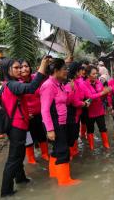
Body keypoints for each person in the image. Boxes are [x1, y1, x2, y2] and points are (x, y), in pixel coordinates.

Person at [0, 57, 49, 197]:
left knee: (19, 154)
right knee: (14, 158)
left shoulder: (10, 83)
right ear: (7, 70)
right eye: (16, 68)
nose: (20, 70)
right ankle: (6, 191)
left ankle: (20, 178)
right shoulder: (12, 84)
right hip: (16, 126)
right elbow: (32, 87)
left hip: (17, 125)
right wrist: (42, 65)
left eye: (20, 67)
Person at [40, 58, 81, 187]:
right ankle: (64, 181)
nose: (66, 72)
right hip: (55, 123)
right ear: (56, 71)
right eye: (64, 69)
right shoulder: (48, 85)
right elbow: (45, 109)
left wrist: (72, 89)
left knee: (57, 149)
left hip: (61, 122)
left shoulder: (60, 84)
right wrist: (50, 129)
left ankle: (54, 174)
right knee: (63, 150)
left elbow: (65, 101)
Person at [19, 59, 49, 164]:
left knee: (41, 135)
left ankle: (45, 154)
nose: (24, 68)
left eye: (26, 66)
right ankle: (31, 157)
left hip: (39, 114)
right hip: (26, 117)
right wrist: (25, 114)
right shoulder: (17, 83)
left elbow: (45, 74)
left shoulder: (35, 78)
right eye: (21, 67)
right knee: (28, 138)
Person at [64, 62, 90, 159]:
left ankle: (74, 153)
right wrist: (84, 103)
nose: (82, 72)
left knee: (74, 135)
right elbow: (73, 102)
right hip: (72, 113)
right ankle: (71, 155)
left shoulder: (77, 81)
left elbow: (81, 95)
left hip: (76, 113)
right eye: (80, 70)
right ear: (76, 72)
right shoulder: (69, 84)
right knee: (71, 136)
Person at [83, 65, 111, 150]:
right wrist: (103, 93)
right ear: (88, 75)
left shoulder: (99, 82)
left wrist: (107, 92)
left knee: (103, 128)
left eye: (96, 73)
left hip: (99, 110)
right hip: (89, 111)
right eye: (93, 74)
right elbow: (90, 96)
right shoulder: (84, 84)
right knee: (90, 129)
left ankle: (106, 145)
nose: (96, 75)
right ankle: (91, 147)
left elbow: (103, 95)